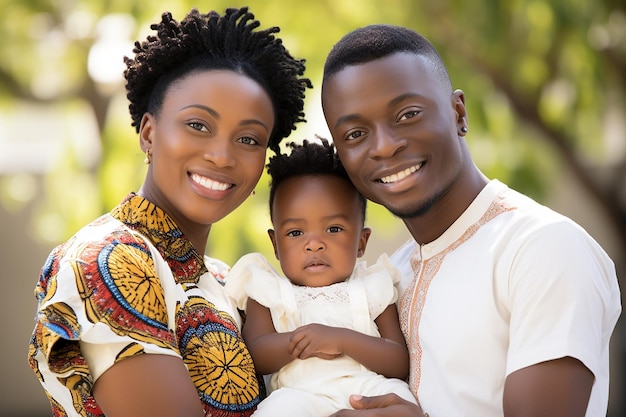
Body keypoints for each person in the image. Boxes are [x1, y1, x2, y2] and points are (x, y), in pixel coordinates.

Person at [320, 24, 621, 417]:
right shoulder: (388, 277)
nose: (384, 146)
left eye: (407, 114)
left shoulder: (542, 248)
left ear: (458, 112)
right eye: (356, 133)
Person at [27, 7, 311, 417]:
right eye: (198, 125)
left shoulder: (224, 281)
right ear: (149, 133)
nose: (221, 155)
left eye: (248, 138)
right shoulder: (111, 257)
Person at [224, 138, 417, 416]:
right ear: (276, 245)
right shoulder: (269, 291)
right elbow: (256, 354)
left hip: (366, 392)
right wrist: (304, 341)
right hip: (300, 396)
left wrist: (339, 339)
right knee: (276, 410)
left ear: (361, 242)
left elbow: (398, 361)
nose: (314, 244)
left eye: (334, 229)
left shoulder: (372, 286)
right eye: (295, 233)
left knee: (403, 404)